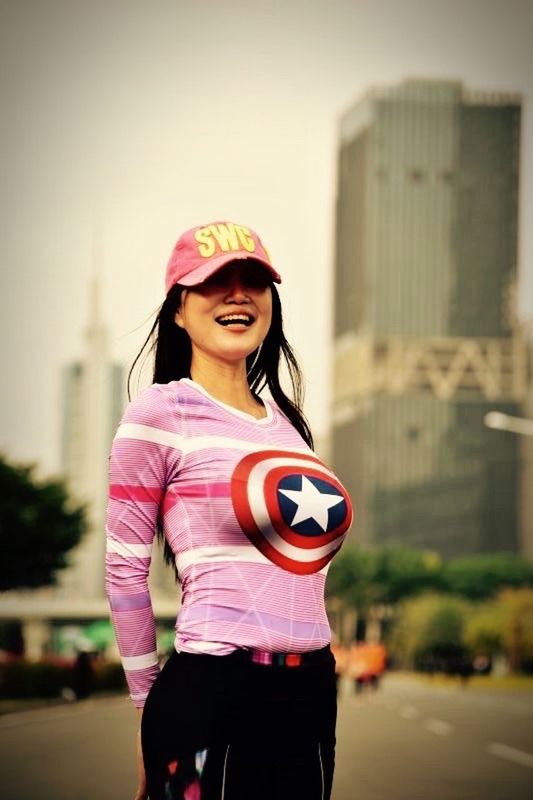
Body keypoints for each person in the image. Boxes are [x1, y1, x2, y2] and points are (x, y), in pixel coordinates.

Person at [105, 220, 354, 800]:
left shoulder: (289, 426)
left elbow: (302, 564)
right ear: (179, 311)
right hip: (211, 686)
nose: (238, 294)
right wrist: (148, 717)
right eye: (215, 281)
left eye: (254, 281)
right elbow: (124, 574)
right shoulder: (160, 413)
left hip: (310, 687)